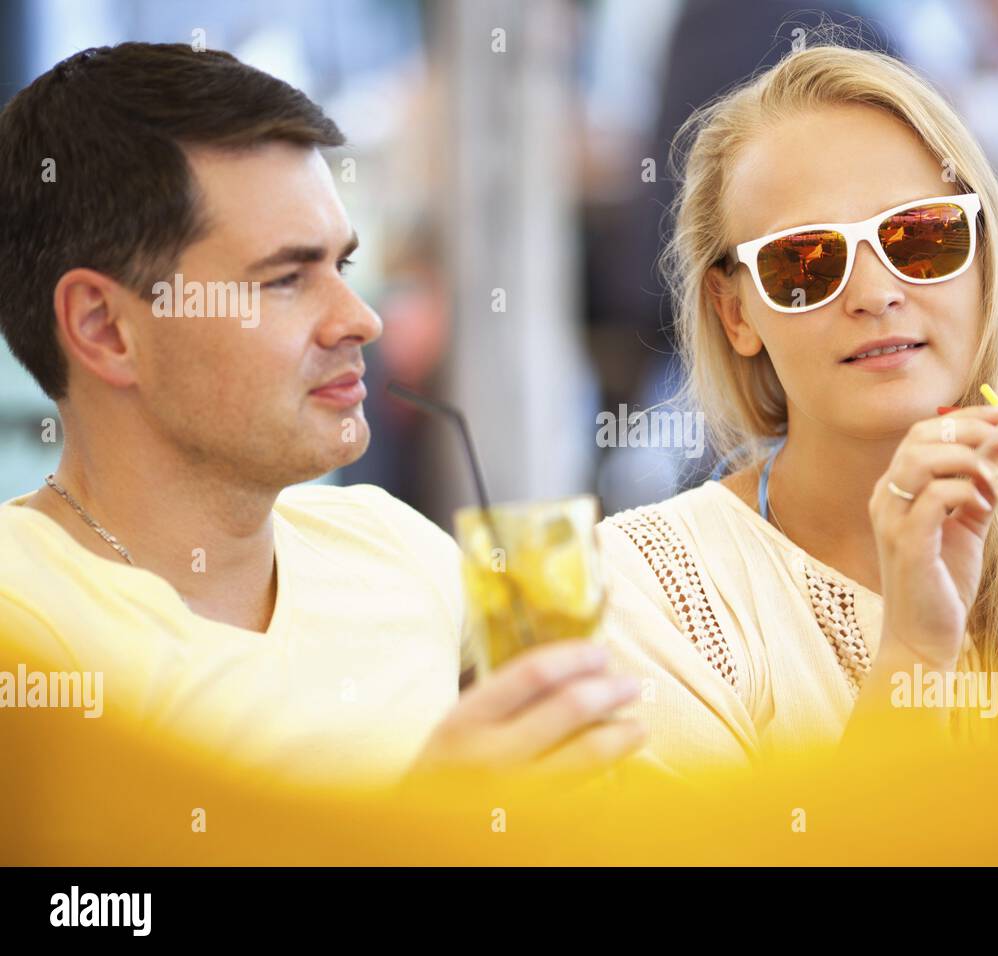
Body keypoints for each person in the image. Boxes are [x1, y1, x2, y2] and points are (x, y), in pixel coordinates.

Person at [595, 42, 998, 775]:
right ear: (736, 313)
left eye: (923, 236)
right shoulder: (647, 592)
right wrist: (910, 653)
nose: (876, 294)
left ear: (983, 262)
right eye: (805, 261)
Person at [0, 43, 644, 788]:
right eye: (285, 279)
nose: (362, 319)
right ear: (105, 329)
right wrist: (428, 820)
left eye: (342, 266)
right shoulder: (27, 628)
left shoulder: (390, 542)